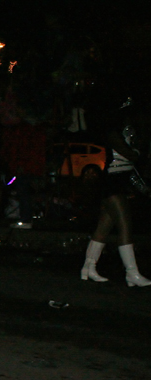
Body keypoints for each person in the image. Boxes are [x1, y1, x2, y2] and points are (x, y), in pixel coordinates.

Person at [80, 96, 151, 287]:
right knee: (125, 225)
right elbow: (130, 154)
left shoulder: (130, 132)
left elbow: (135, 156)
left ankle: (88, 267)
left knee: (103, 228)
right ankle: (132, 273)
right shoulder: (113, 132)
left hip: (118, 182)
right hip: (112, 183)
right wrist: (137, 153)